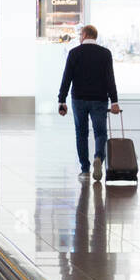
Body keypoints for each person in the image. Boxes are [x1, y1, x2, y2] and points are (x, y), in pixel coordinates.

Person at [57, 24, 120, 180]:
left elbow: (67, 78)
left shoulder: (74, 53)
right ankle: (98, 157)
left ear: (84, 35)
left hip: (79, 99)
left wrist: (61, 100)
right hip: (99, 99)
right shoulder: (105, 54)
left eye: (80, 35)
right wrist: (114, 101)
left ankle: (85, 169)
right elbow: (109, 78)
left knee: (81, 133)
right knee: (100, 132)